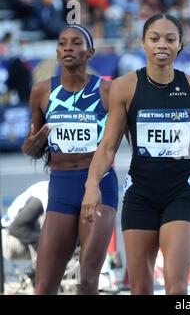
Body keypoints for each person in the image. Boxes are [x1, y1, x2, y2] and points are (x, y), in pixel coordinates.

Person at [82, 13, 190, 295]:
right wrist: (92, 184)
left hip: (180, 192)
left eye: (170, 39)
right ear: (143, 43)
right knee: (140, 288)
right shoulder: (124, 87)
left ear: (180, 46)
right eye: (154, 38)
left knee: (177, 288)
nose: (161, 44)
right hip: (140, 194)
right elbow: (108, 145)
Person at [21, 24, 119, 295]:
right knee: (44, 286)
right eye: (63, 43)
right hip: (61, 187)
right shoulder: (42, 92)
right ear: (56, 52)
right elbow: (31, 147)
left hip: (98, 184)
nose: (68, 47)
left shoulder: (108, 92)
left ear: (90, 52)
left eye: (76, 43)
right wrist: (34, 142)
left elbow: (122, 141)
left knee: (86, 281)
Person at [1, 181, 49, 286]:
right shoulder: (42, 195)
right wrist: (46, 242)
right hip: (11, 240)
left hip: (13, 235)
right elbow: (16, 228)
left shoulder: (43, 189)